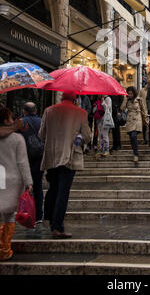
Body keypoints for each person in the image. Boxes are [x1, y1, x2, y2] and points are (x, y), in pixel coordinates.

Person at [38, 91, 91, 238]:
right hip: (69, 157)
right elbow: (87, 136)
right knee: (63, 191)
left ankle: (49, 218)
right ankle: (57, 226)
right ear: (75, 99)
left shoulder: (49, 111)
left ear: (61, 97)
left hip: (52, 156)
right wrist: (78, 136)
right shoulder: (80, 113)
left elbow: (41, 135)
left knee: (53, 188)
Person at [0, 107, 33, 260]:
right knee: (9, 216)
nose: (14, 120)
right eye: (11, 117)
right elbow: (22, 162)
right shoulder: (17, 139)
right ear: (6, 120)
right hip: (12, 180)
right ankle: (5, 250)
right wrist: (28, 182)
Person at [20, 102, 44, 226]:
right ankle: (39, 215)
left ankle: (26, 212)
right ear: (35, 110)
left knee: (26, 185)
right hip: (40, 156)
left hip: (25, 156)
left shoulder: (21, 122)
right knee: (38, 185)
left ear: (24, 111)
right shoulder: (42, 121)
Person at [120, 86, 146, 162]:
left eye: (131, 93)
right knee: (131, 137)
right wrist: (125, 100)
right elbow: (122, 108)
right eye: (129, 93)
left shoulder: (139, 100)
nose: (130, 95)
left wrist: (145, 118)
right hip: (130, 119)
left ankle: (136, 154)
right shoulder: (126, 100)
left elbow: (143, 109)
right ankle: (135, 151)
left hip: (137, 118)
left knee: (134, 135)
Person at [139, 78, 150, 145]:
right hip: (144, 111)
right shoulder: (142, 91)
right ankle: (145, 139)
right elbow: (138, 98)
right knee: (144, 126)